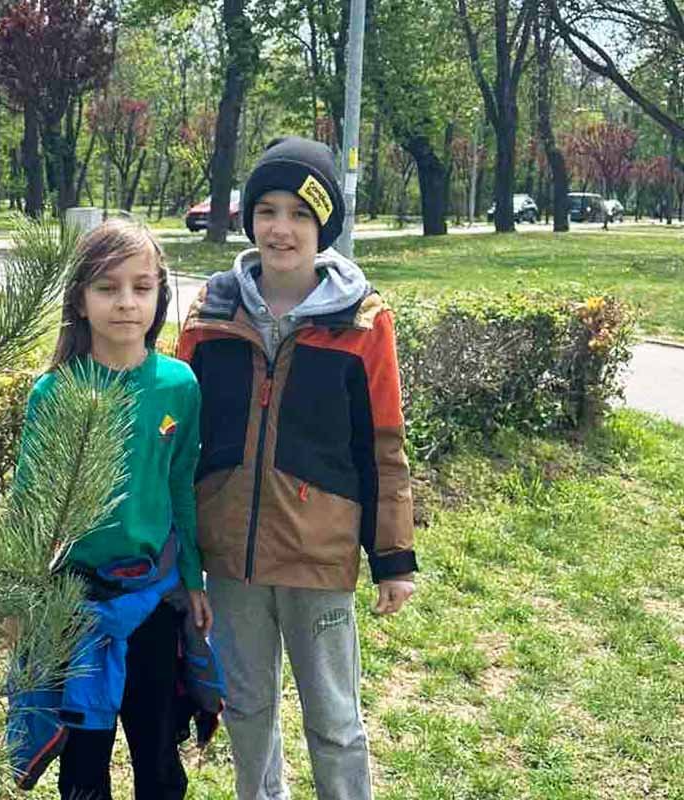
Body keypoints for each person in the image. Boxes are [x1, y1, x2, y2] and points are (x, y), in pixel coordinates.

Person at [176, 136, 417, 800]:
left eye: (300, 214)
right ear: (249, 219)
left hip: (318, 559)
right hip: (232, 563)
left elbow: (383, 447)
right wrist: (178, 552)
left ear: (323, 226)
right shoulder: (209, 314)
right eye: (268, 211)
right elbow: (178, 442)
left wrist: (393, 558)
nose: (281, 228)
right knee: (247, 710)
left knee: (334, 722)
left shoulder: (363, 322)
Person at [9, 219, 217, 800]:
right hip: (75, 604)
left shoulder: (178, 386)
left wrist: (193, 580)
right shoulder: (54, 392)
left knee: (158, 754)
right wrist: (21, 597)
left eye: (141, 287)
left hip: (153, 599)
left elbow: (182, 488)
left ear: (159, 296)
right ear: (80, 299)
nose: (126, 302)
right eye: (107, 287)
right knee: (82, 767)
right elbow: (29, 504)